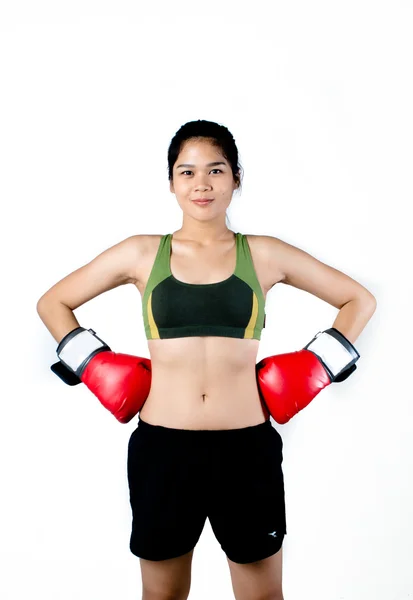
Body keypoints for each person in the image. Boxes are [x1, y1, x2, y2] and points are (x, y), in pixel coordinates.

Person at [37, 120, 377, 600]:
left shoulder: (263, 254)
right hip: (162, 452)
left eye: (215, 170)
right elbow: (53, 303)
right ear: (171, 182)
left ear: (236, 177)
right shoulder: (141, 252)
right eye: (187, 172)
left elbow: (358, 300)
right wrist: (93, 364)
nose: (202, 184)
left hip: (247, 453)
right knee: (163, 597)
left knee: (262, 598)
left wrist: (315, 366)